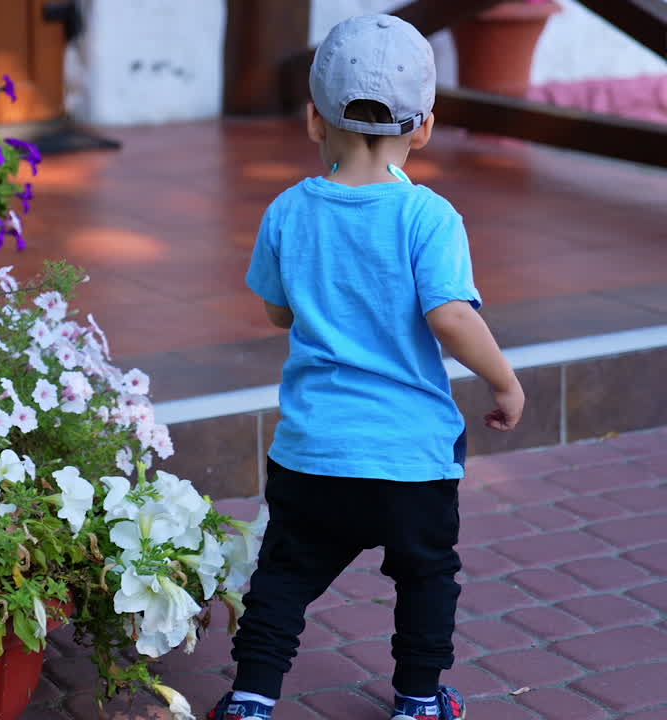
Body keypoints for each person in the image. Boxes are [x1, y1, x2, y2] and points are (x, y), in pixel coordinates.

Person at [206, 14, 525, 720]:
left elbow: (280, 315)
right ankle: (418, 698)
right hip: (410, 456)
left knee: (283, 575)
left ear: (314, 121)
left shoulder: (288, 211)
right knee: (426, 576)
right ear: (425, 128)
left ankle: (252, 698)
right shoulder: (429, 217)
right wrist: (503, 380)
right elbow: (450, 315)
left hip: (314, 450)